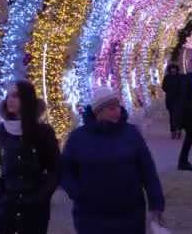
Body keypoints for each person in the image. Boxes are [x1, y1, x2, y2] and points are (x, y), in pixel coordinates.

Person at [61, 86, 165, 233]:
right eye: (111, 108)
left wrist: (156, 203)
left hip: (129, 212)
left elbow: (147, 170)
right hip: (90, 214)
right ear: (98, 112)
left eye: (118, 106)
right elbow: (65, 170)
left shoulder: (131, 134)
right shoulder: (78, 138)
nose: (117, 111)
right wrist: (77, 193)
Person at [0, 80, 61, 234]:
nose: (10, 100)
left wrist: (41, 196)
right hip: (6, 208)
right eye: (8, 96)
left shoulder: (43, 132)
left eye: (16, 96)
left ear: (27, 99)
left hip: (35, 210)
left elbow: (55, 169)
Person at [162, 63, 183, 139]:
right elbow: (164, 87)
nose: (173, 70)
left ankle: (179, 129)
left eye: (174, 68)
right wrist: (169, 90)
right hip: (170, 99)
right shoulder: (167, 78)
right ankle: (173, 131)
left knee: (178, 116)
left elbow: (183, 87)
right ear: (169, 69)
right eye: (172, 68)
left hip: (178, 99)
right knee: (172, 116)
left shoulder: (181, 77)